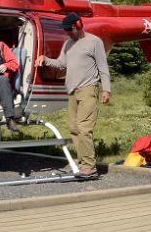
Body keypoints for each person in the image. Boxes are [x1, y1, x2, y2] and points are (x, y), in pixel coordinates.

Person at [36, 12, 111, 178]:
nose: (68, 33)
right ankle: (82, 163)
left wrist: (106, 89)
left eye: (70, 29)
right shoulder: (67, 44)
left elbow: (103, 67)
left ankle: (90, 167)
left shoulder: (94, 42)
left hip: (88, 90)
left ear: (78, 25)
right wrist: (45, 59)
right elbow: (61, 63)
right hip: (72, 92)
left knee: (84, 129)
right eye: (66, 31)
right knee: (74, 129)